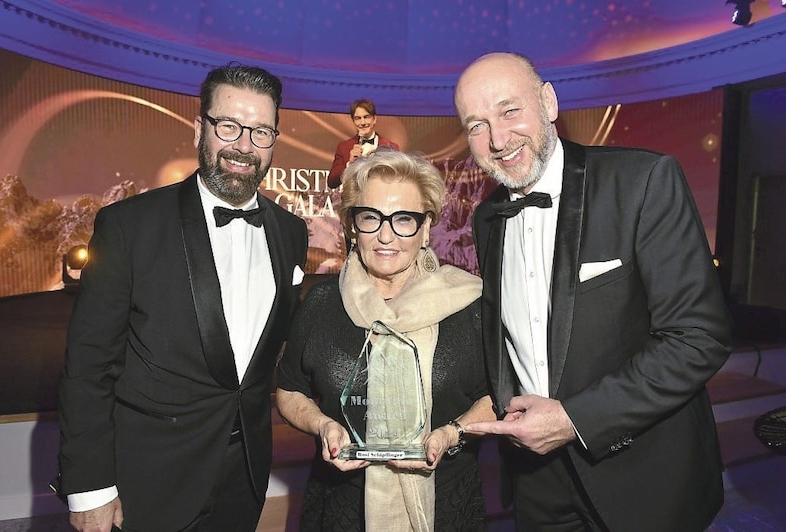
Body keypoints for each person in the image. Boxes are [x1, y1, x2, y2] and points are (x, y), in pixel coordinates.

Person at [455, 52, 733, 531]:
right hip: (536, 481)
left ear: (549, 102)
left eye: (509, 111)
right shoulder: (487, 217)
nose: (498, 140)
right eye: (477, 125)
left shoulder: (642, 181)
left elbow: (698, 338)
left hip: (643, 479)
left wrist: (575, 419)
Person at [56, 64, 308, 532]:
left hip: (244, 475)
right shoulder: (129, 226)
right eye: (228, 125)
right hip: (148, 480)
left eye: (260, 131)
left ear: (275, 140)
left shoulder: (291, 233)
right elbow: (88, 366)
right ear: (200, 128)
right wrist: (89, 486)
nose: (243, 145)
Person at [276, 148, 495, 531]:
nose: (386, 235)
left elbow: (497, 397)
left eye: (404, 219)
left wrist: (451, 434)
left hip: (448, 507)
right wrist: (322, 425)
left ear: (427, 228)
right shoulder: (323, 303)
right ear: (352, 226)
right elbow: (289, 390)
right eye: (370, 217)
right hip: (340, 507)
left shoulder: (470, 304)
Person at [327, 99, 400, 189]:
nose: (362, 123)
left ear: (374, 119)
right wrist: (349, 164)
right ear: (353, 121)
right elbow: (331, 182)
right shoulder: (344, 147)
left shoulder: (391, 147)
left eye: (366, 117)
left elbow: (398, 180)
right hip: (355, 201)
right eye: (358, 118)